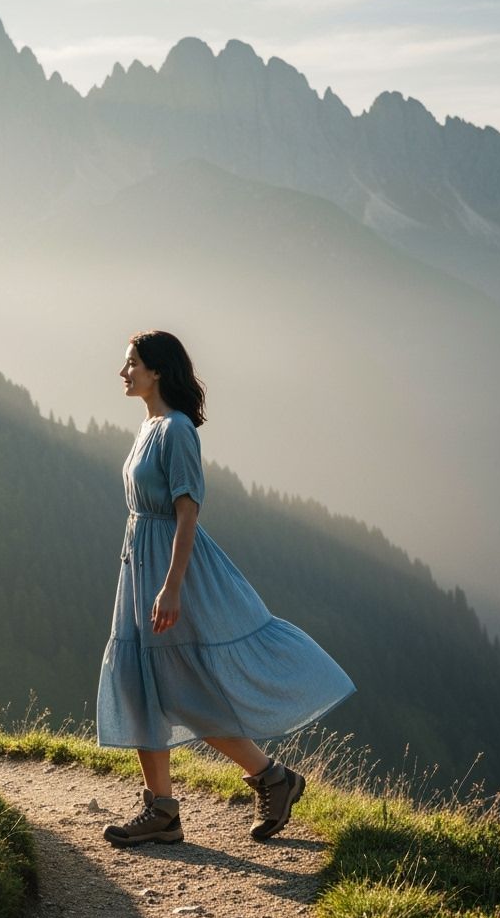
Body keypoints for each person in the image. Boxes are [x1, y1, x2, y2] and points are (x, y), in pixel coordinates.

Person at [96, 330, 356, 847]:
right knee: (136, 680)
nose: (123, 373)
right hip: (140, 563)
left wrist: (171, 587)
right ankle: (165, 810)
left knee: (179, 687)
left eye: (132, 364)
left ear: (158, 371)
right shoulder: (148, 426)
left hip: (173, 568)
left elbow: (188, 512)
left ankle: (268, 778)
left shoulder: (176, 431)